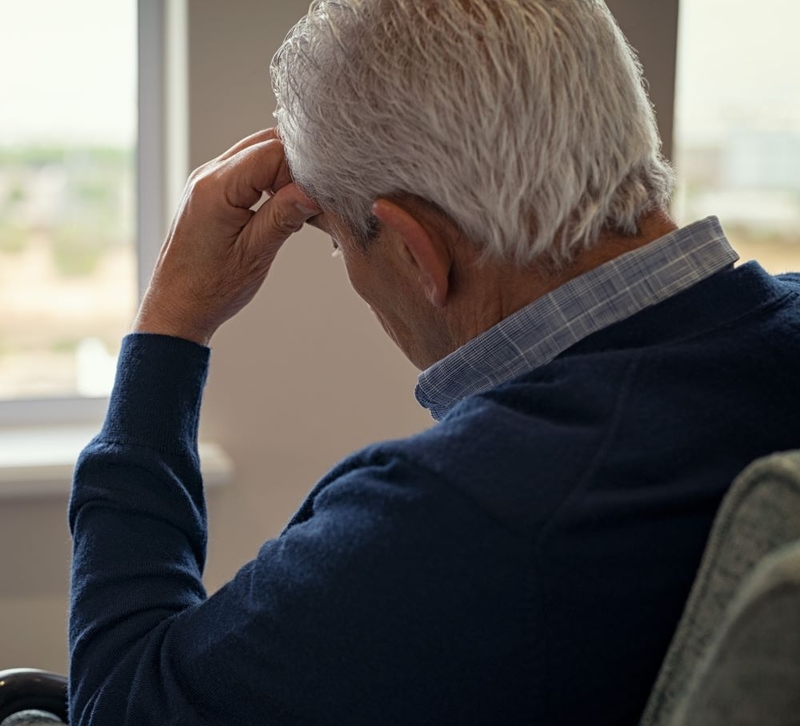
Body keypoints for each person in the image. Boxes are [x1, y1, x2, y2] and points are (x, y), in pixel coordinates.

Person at [68, 1, 800, 724]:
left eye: (337, 243)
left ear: (419, 252)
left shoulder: (465, 514)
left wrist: (170, 322)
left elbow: (119, 703)